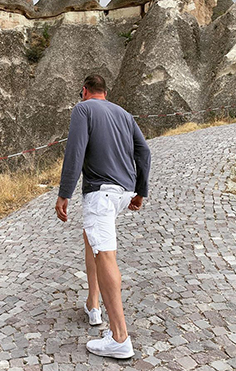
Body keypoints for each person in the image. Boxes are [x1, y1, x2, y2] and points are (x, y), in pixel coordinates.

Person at [55, 74, 151, 359]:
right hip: (122, 192)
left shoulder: (82, 109)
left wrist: (64, 193)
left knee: (106, 254)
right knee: (92, 239)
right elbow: (143, 151)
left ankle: (120, 337)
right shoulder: (124, 114)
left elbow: (75, 151)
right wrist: (140, 192)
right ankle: (93, 304)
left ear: (84, 91)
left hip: (101, 193)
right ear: (104, 93)